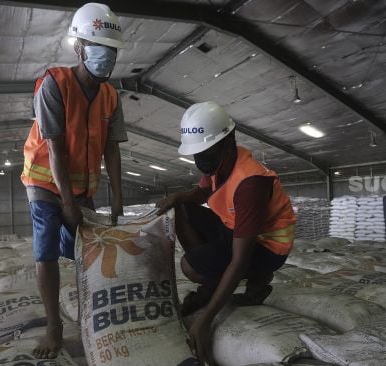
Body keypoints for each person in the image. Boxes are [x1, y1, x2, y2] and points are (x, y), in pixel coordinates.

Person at [20, 3, 127, 359]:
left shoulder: (111, 96)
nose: (105, 55)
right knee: (47, 248)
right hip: (43, 180)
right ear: (79, 48)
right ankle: (54, 326)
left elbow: (112, 150)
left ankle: (92, 316)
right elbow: (55, 149)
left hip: (82, 187)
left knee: (83, 250)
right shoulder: (54, 84)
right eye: (98, 47)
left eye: (111, 49)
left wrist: (116, 198)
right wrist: (66, 202)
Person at [156, 101, 296, 365]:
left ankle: (249, 278)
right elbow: (202, 192)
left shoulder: (250, 183)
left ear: (229, 139)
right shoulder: (220, 163)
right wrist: (178, 196)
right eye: (197, 154)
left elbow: (239, 258)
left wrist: (206, 318)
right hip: (234, 229)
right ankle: (215, 280)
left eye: (206, 152)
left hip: (267, 246)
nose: (200, 161)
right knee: (182, 207)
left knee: (190, 266)